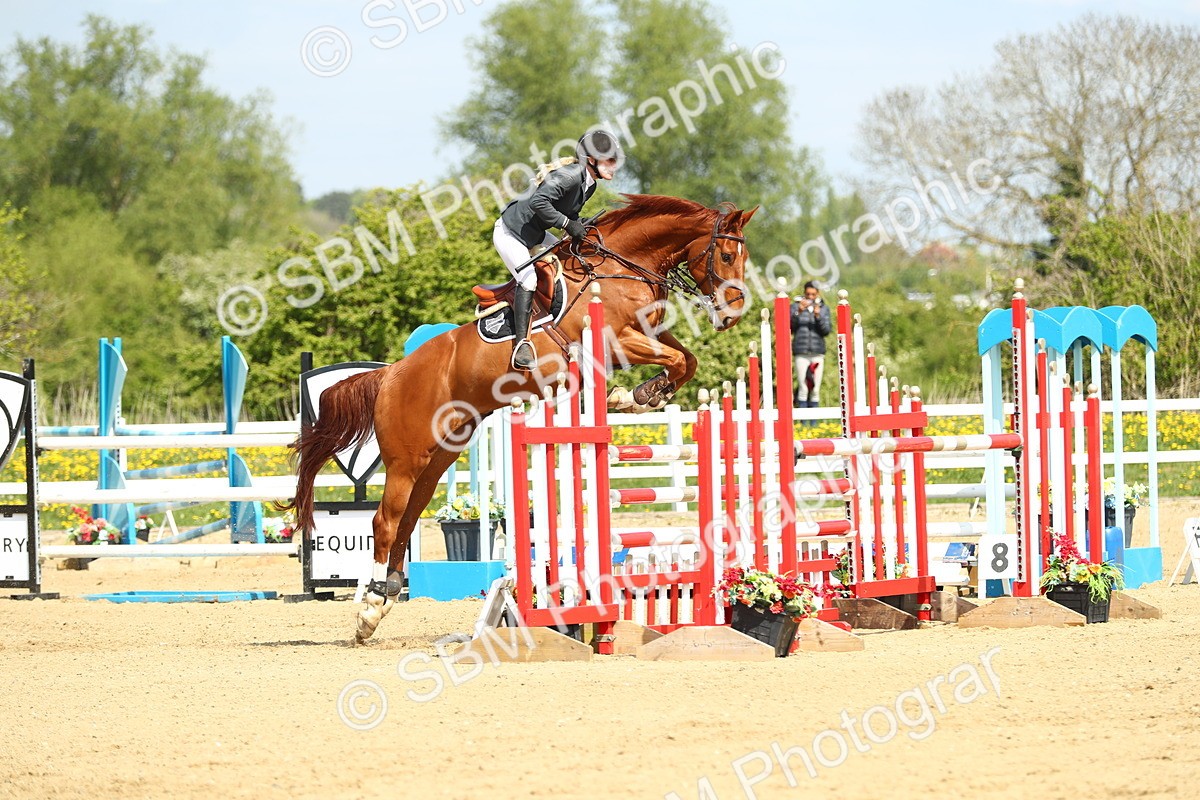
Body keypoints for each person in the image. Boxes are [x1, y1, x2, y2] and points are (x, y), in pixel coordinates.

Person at [494, 129, 622, 371]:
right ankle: (521, 346)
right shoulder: (571, 175)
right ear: (591, 160)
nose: (614, 165)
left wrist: (578, 222)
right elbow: (538, 202)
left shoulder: (589, 184)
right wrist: (567, 224)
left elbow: (567, 212)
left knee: (573, 258)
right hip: (511, 232)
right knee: (528, 279)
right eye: (610, 159)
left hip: (536, 232)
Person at [790, 280, 832, 418]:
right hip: (801, 352)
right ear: (804, 293)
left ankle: (814, 422)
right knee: (803, 387)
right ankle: (803, 423)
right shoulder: (795, 307)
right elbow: (789, 327)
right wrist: (798, 312)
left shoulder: (824, 308)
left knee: (815, 389)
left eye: (813, 294)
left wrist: (818, 316)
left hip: (817, 352)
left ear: (817, 294)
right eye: (808, 294)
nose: (810, 297)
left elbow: (826, 330)